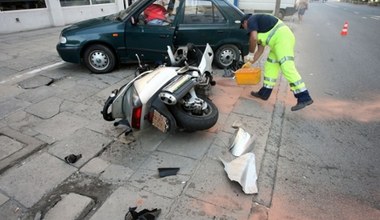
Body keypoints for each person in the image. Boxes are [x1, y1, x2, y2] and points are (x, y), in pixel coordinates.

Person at [241, 13, 313, 111]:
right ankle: (264, 93)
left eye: (243, 27)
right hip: (277, 43)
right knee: (270, 66)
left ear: (245, 22)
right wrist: (250, 63)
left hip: (283, 39)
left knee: (287, 67)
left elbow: (253, 39)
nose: (245, 29)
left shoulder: (252, 19)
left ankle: (304, 97)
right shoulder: (259, 28)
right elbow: (260, 50)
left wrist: (249, 54)